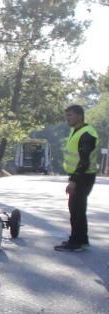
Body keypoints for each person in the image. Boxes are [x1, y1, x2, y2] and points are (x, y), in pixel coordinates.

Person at [56, 104, 99, 252]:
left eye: (70, 115)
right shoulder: (77, 131)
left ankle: (77, 242)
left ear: (79, 116)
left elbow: (84, 160)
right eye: (66, 115)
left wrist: (73, 181)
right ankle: (80, 239)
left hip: (83, 176)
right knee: (75, 208)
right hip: (80, 175)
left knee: (77, 208)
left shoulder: (87, 134)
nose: (67, 118)